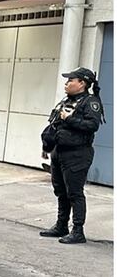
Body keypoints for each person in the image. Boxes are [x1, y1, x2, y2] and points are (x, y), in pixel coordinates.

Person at [40, 67, 105, 244]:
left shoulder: (91, 102)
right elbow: (54, 123)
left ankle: (78, 230)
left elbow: (92, 126)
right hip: (59, 151)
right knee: (60, 190)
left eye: (71, 80)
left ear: (82, 83)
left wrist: (70, 119)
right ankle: (61, 225)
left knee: (74, 193)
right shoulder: (66, 100)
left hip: (77, 154)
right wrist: (47, 145)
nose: (67, 84)